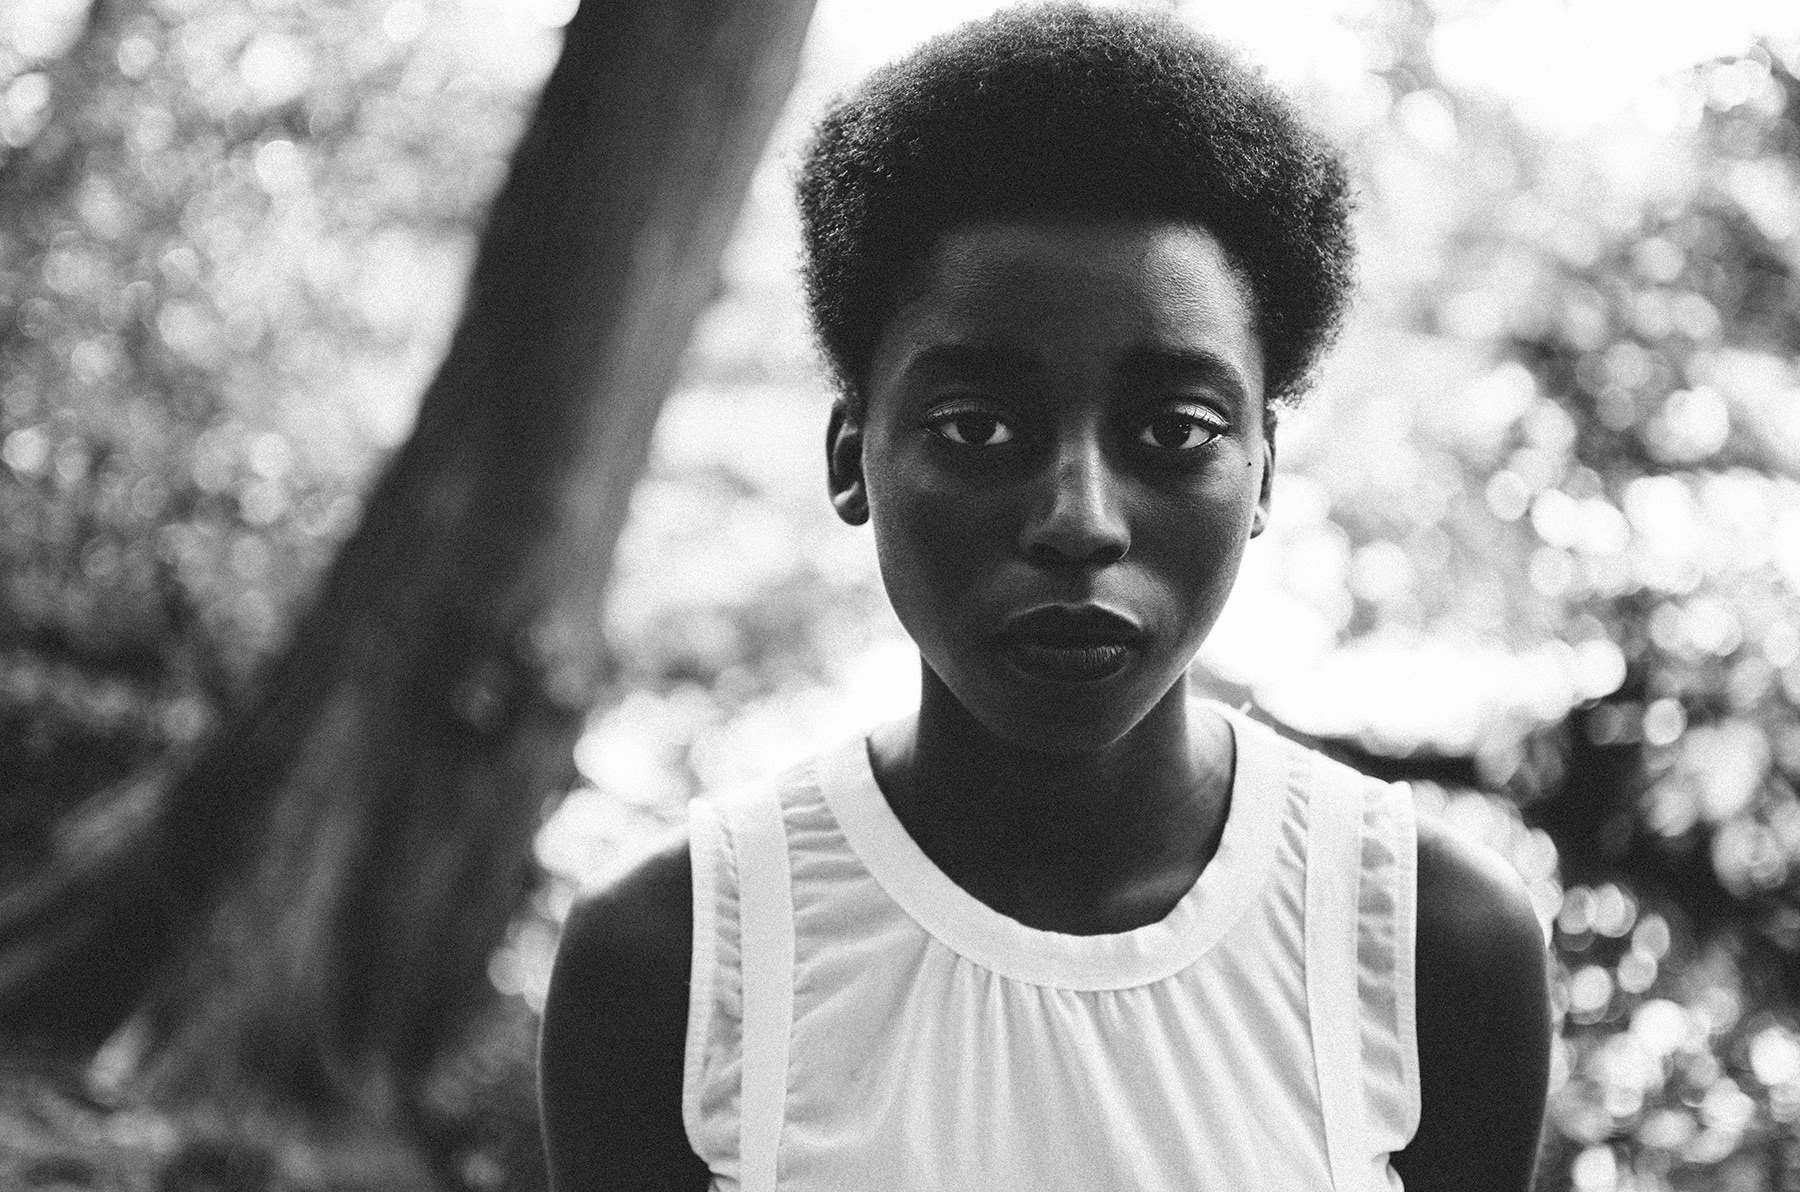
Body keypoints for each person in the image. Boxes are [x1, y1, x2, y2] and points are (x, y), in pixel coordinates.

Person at [538, 5, 1552, 1190]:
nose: (1080, 519)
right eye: (979, 427)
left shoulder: (1427, 943)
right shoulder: (681, 958)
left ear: (1264, 473)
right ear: (851, 457)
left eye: (1174, 429)